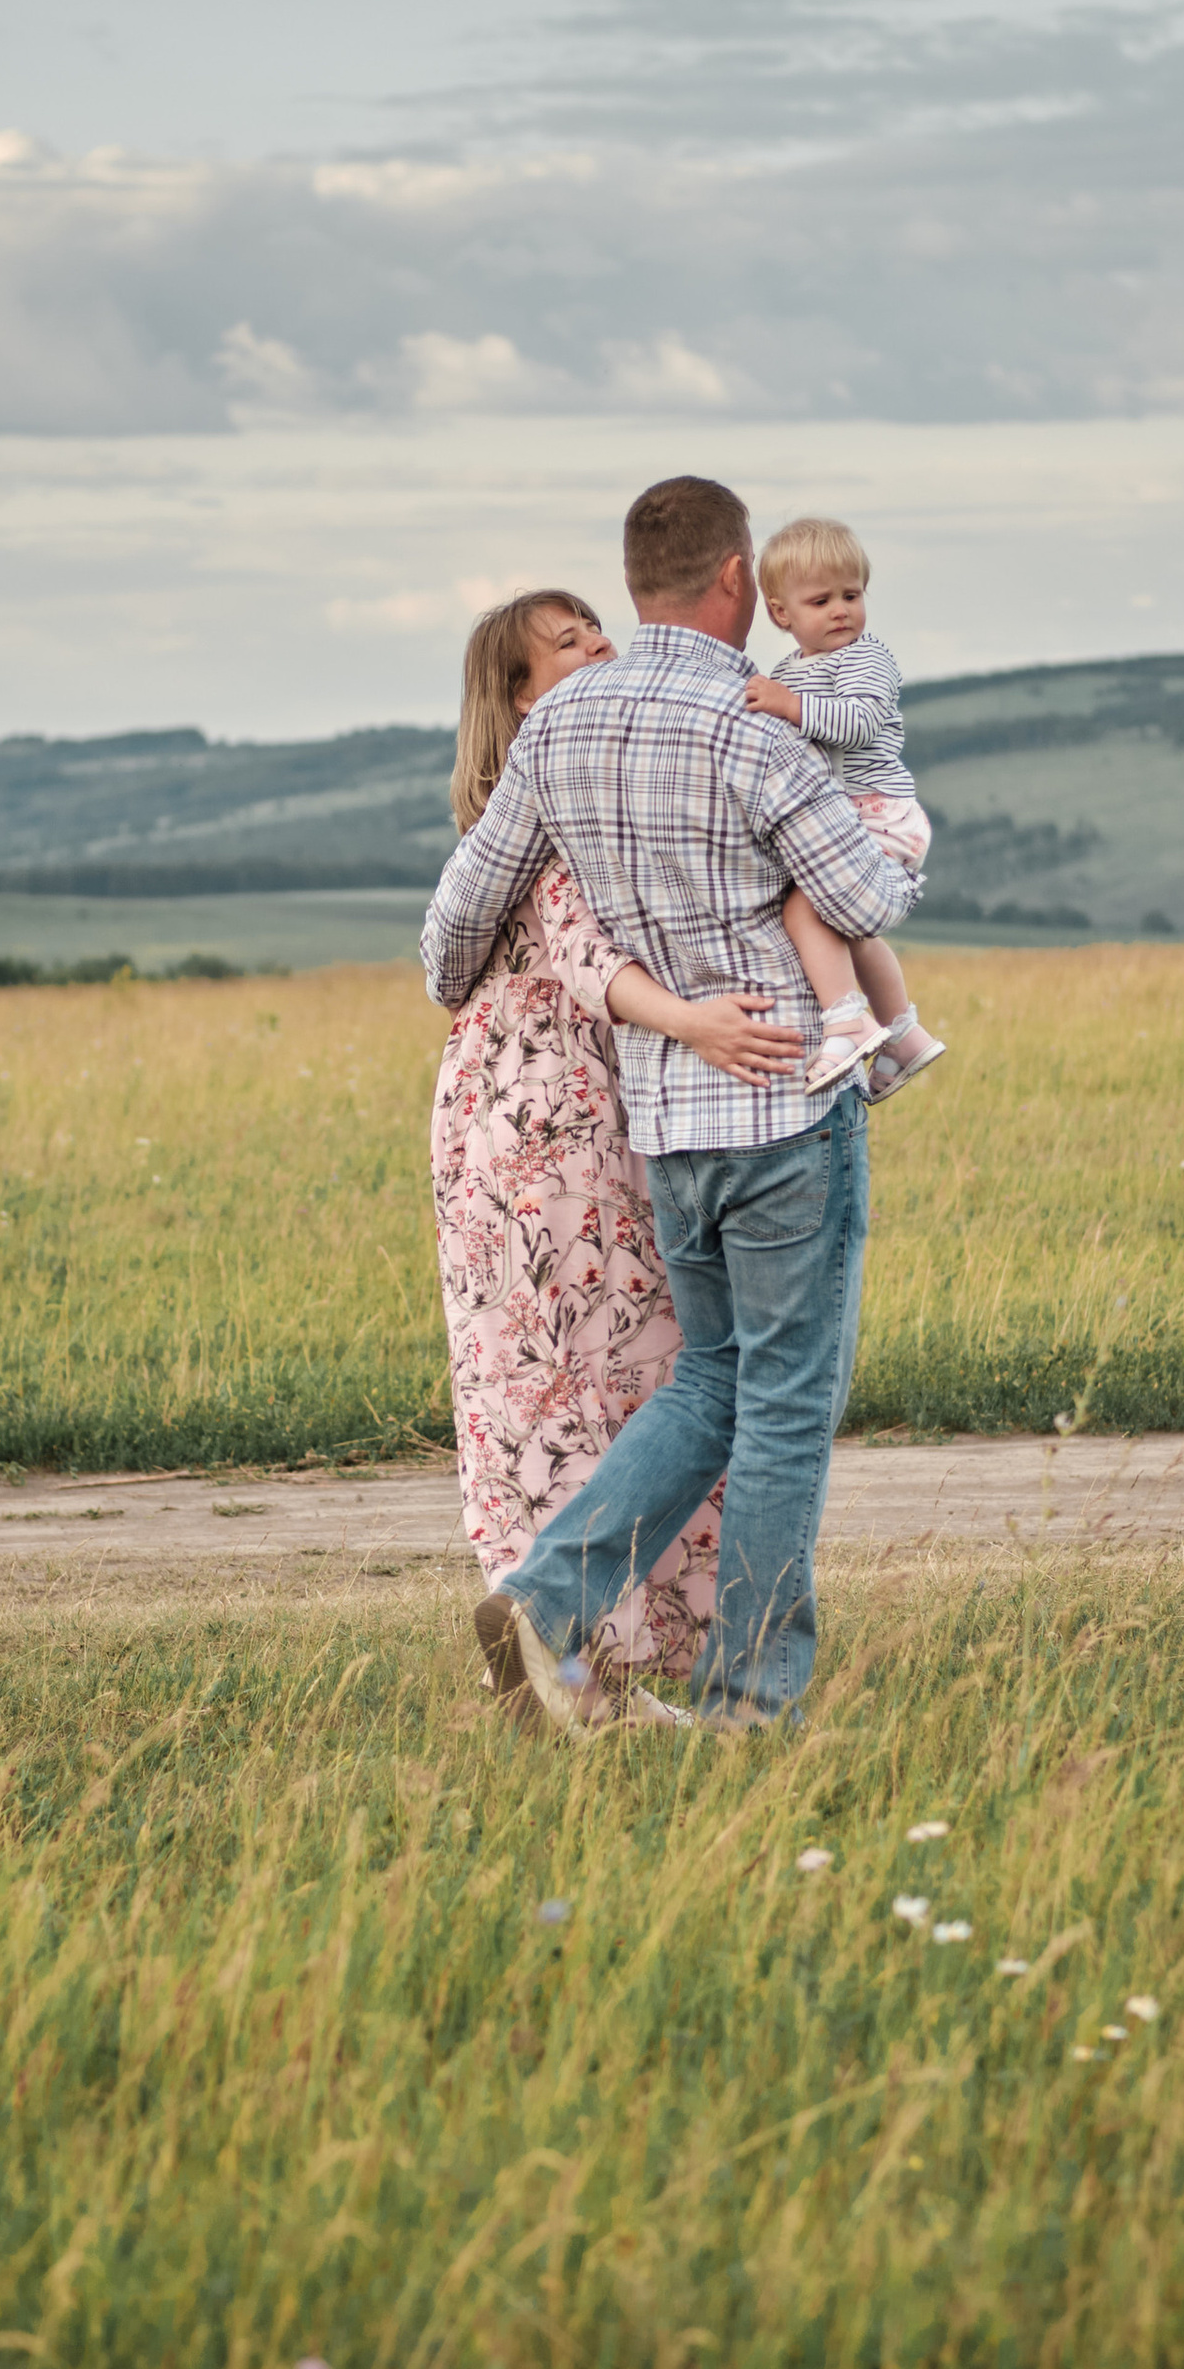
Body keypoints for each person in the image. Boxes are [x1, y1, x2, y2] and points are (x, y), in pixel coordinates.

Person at [421, 474, 921, 1735]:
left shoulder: (557, 731)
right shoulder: (757, 729)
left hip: (665, 1118)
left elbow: (454, 930)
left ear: (635, 590)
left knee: (711, 1383)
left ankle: (547, 1593)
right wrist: (901, 828)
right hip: (781, 1105)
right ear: (740, 580)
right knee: (788, 1403)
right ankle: (749, 1699)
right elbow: (863, 900)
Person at [429, 587, 803, 1711]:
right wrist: (701, 1024)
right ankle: (583, 1649)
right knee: (631, 1377)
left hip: (505, 1125)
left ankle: (578, 1653)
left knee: (556, 1383)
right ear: (517, 694)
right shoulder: (547, 814)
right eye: (566, 642)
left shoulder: (529, 804)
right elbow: (586, 955)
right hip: (562, 1128)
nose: (597, 647)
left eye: (598, 627)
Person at [743, 514, 948, 1099]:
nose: (841, 610)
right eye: (821, 600)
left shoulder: (866, 658)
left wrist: (789, 706)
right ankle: (904, 1035)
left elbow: (857, 724)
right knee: (850, 928)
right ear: (782, 614)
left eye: (852, 595)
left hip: (879, 812)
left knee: (806, 912)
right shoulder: (790, 671)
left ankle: (846, 1019)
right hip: (847, 815)